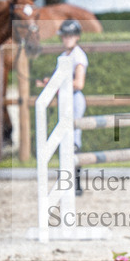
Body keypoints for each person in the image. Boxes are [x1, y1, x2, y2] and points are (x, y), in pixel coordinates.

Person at [37, 19, 88, 196]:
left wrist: (57, 85)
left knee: (73, 139)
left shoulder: (78, 56)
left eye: (70, 36)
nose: (67, 39)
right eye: (64, 36)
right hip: (65, 99)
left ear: (76, 37)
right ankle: (67, 181)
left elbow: (79, 83)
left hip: (74, 100)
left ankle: (77, 184)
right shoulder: (64, 56)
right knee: (64, 138)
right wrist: (49, 83)